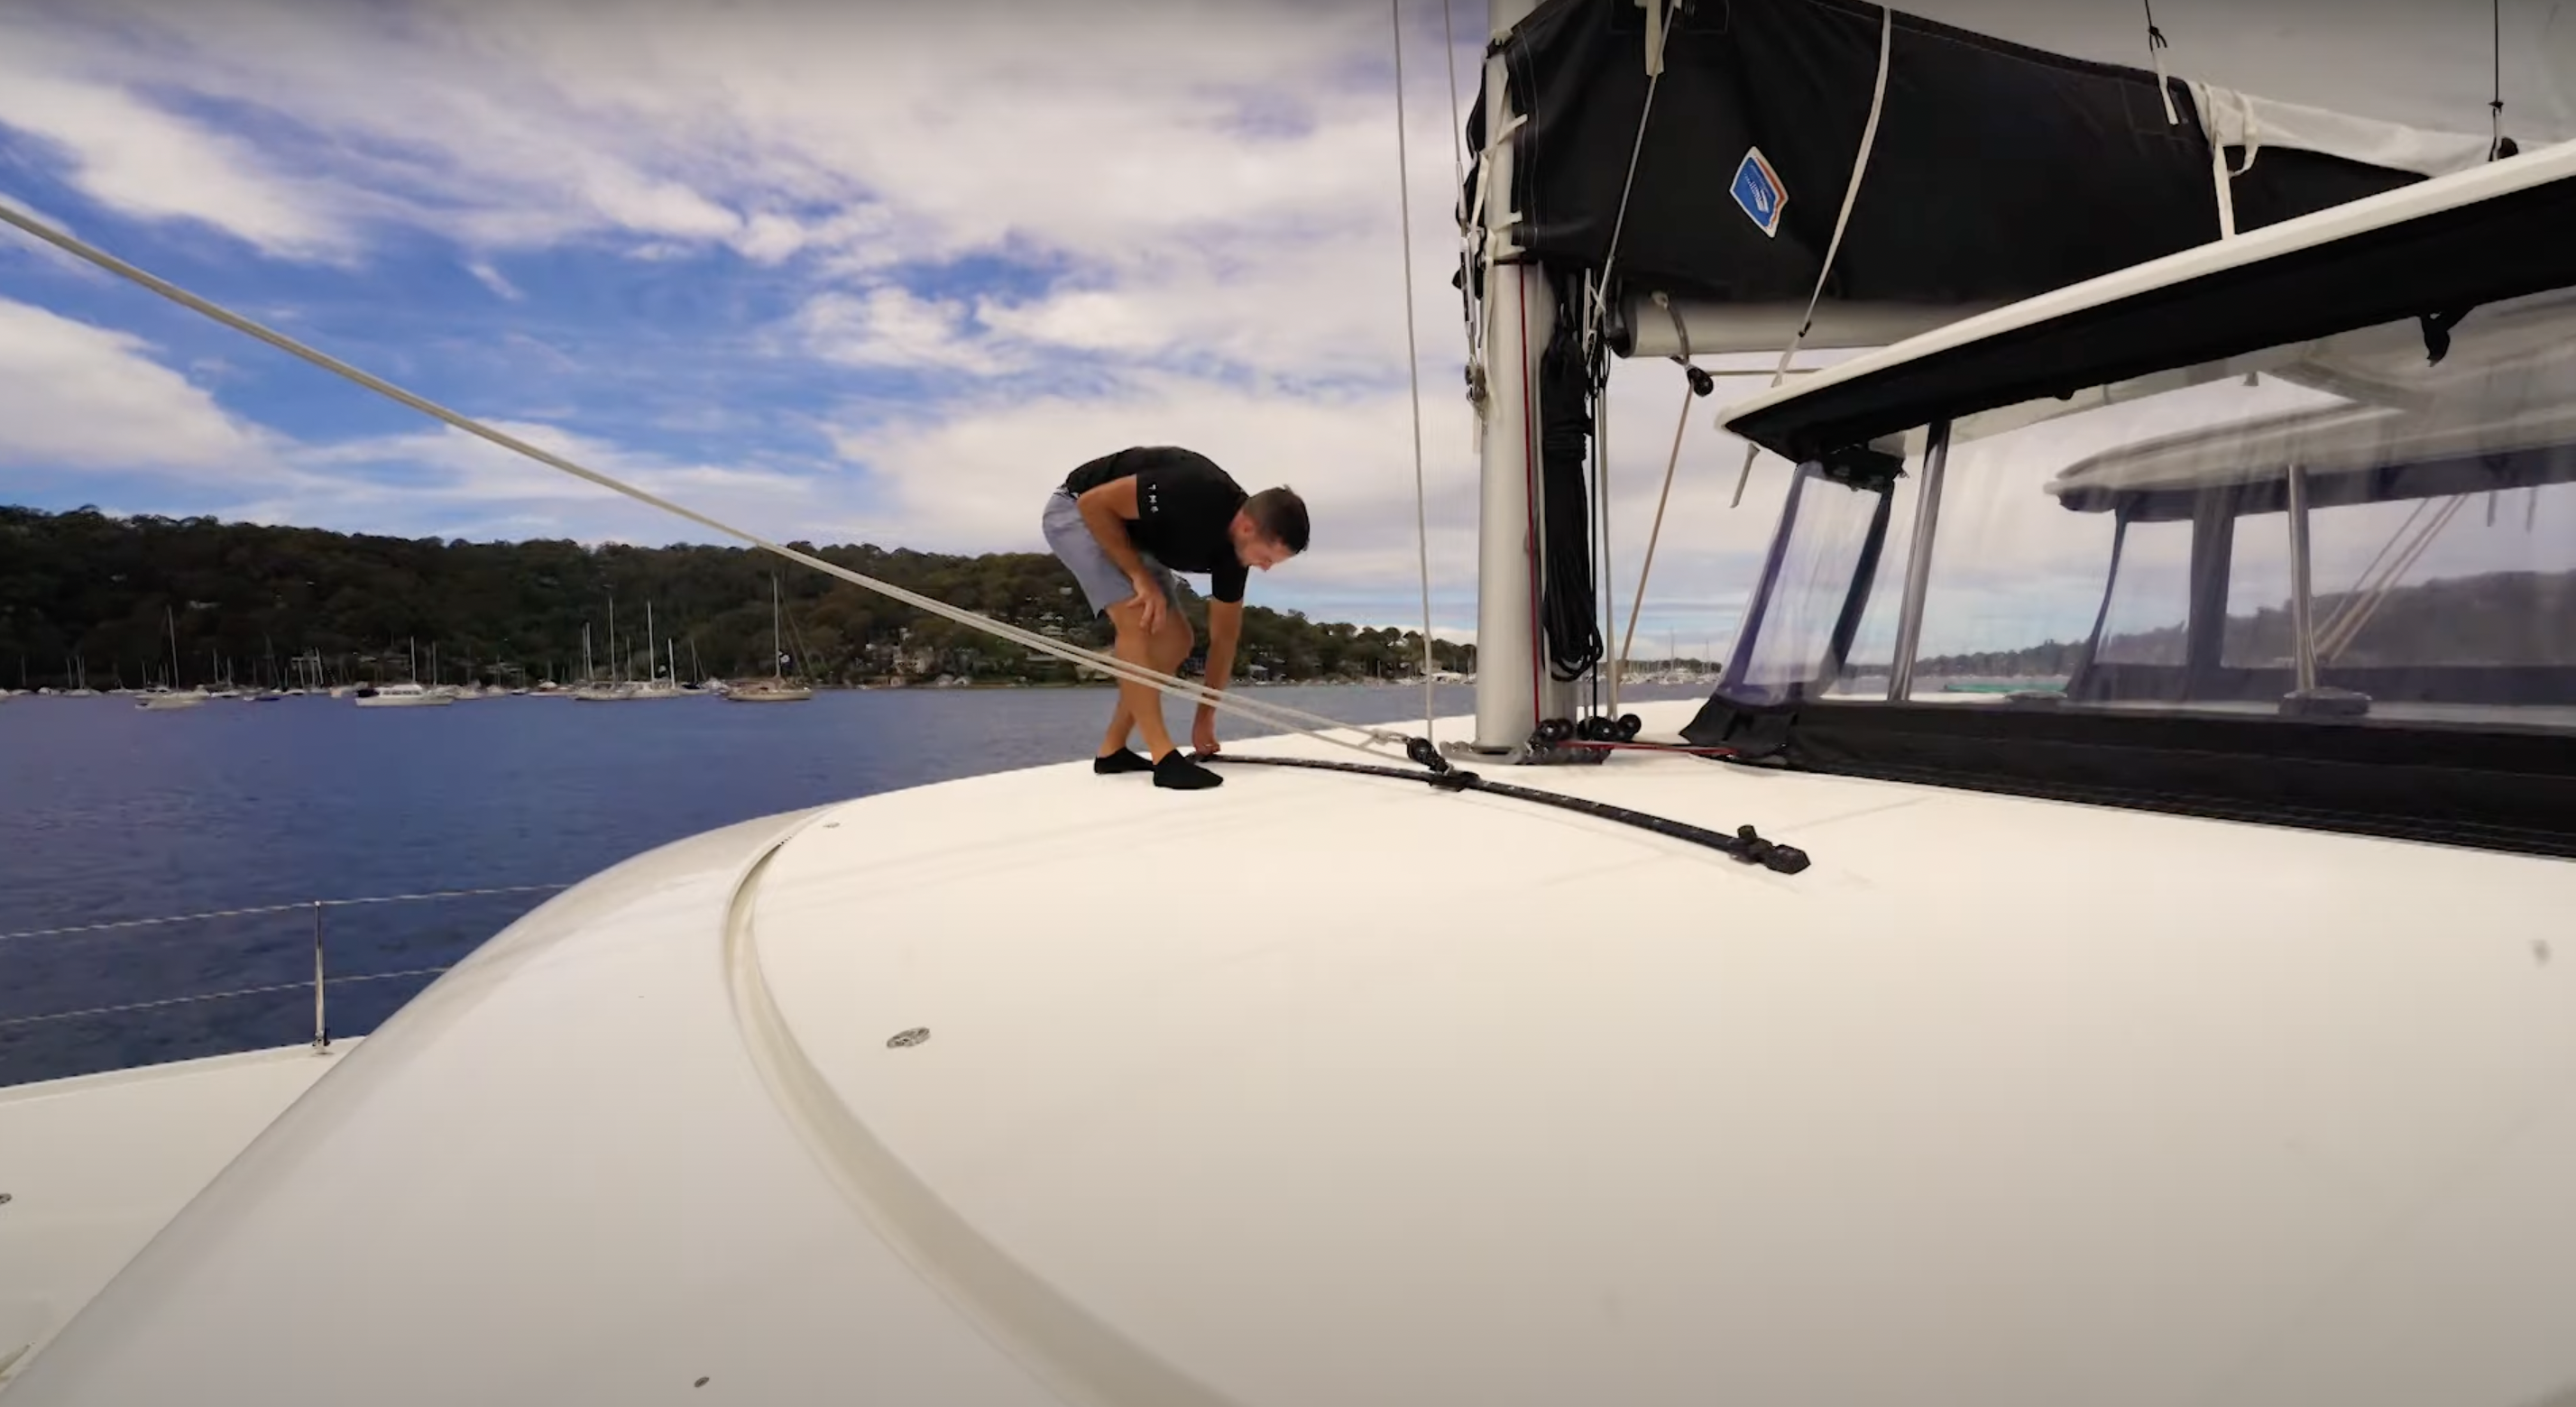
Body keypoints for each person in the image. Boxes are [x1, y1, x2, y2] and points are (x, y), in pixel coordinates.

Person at [1041, 446, 1309, 790]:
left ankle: (1112, 751)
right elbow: (1094, 504)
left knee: (1177, 641)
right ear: (1246, 527)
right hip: (1078, 510)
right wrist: (1137, 576)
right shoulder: (1193, 492)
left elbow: (1224, 640)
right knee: (1138, 615)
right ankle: (1163, 759)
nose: (1267, 568)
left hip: (1131, 535)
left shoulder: (1234, 558)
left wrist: (1205, 719)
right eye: (1267, 556)